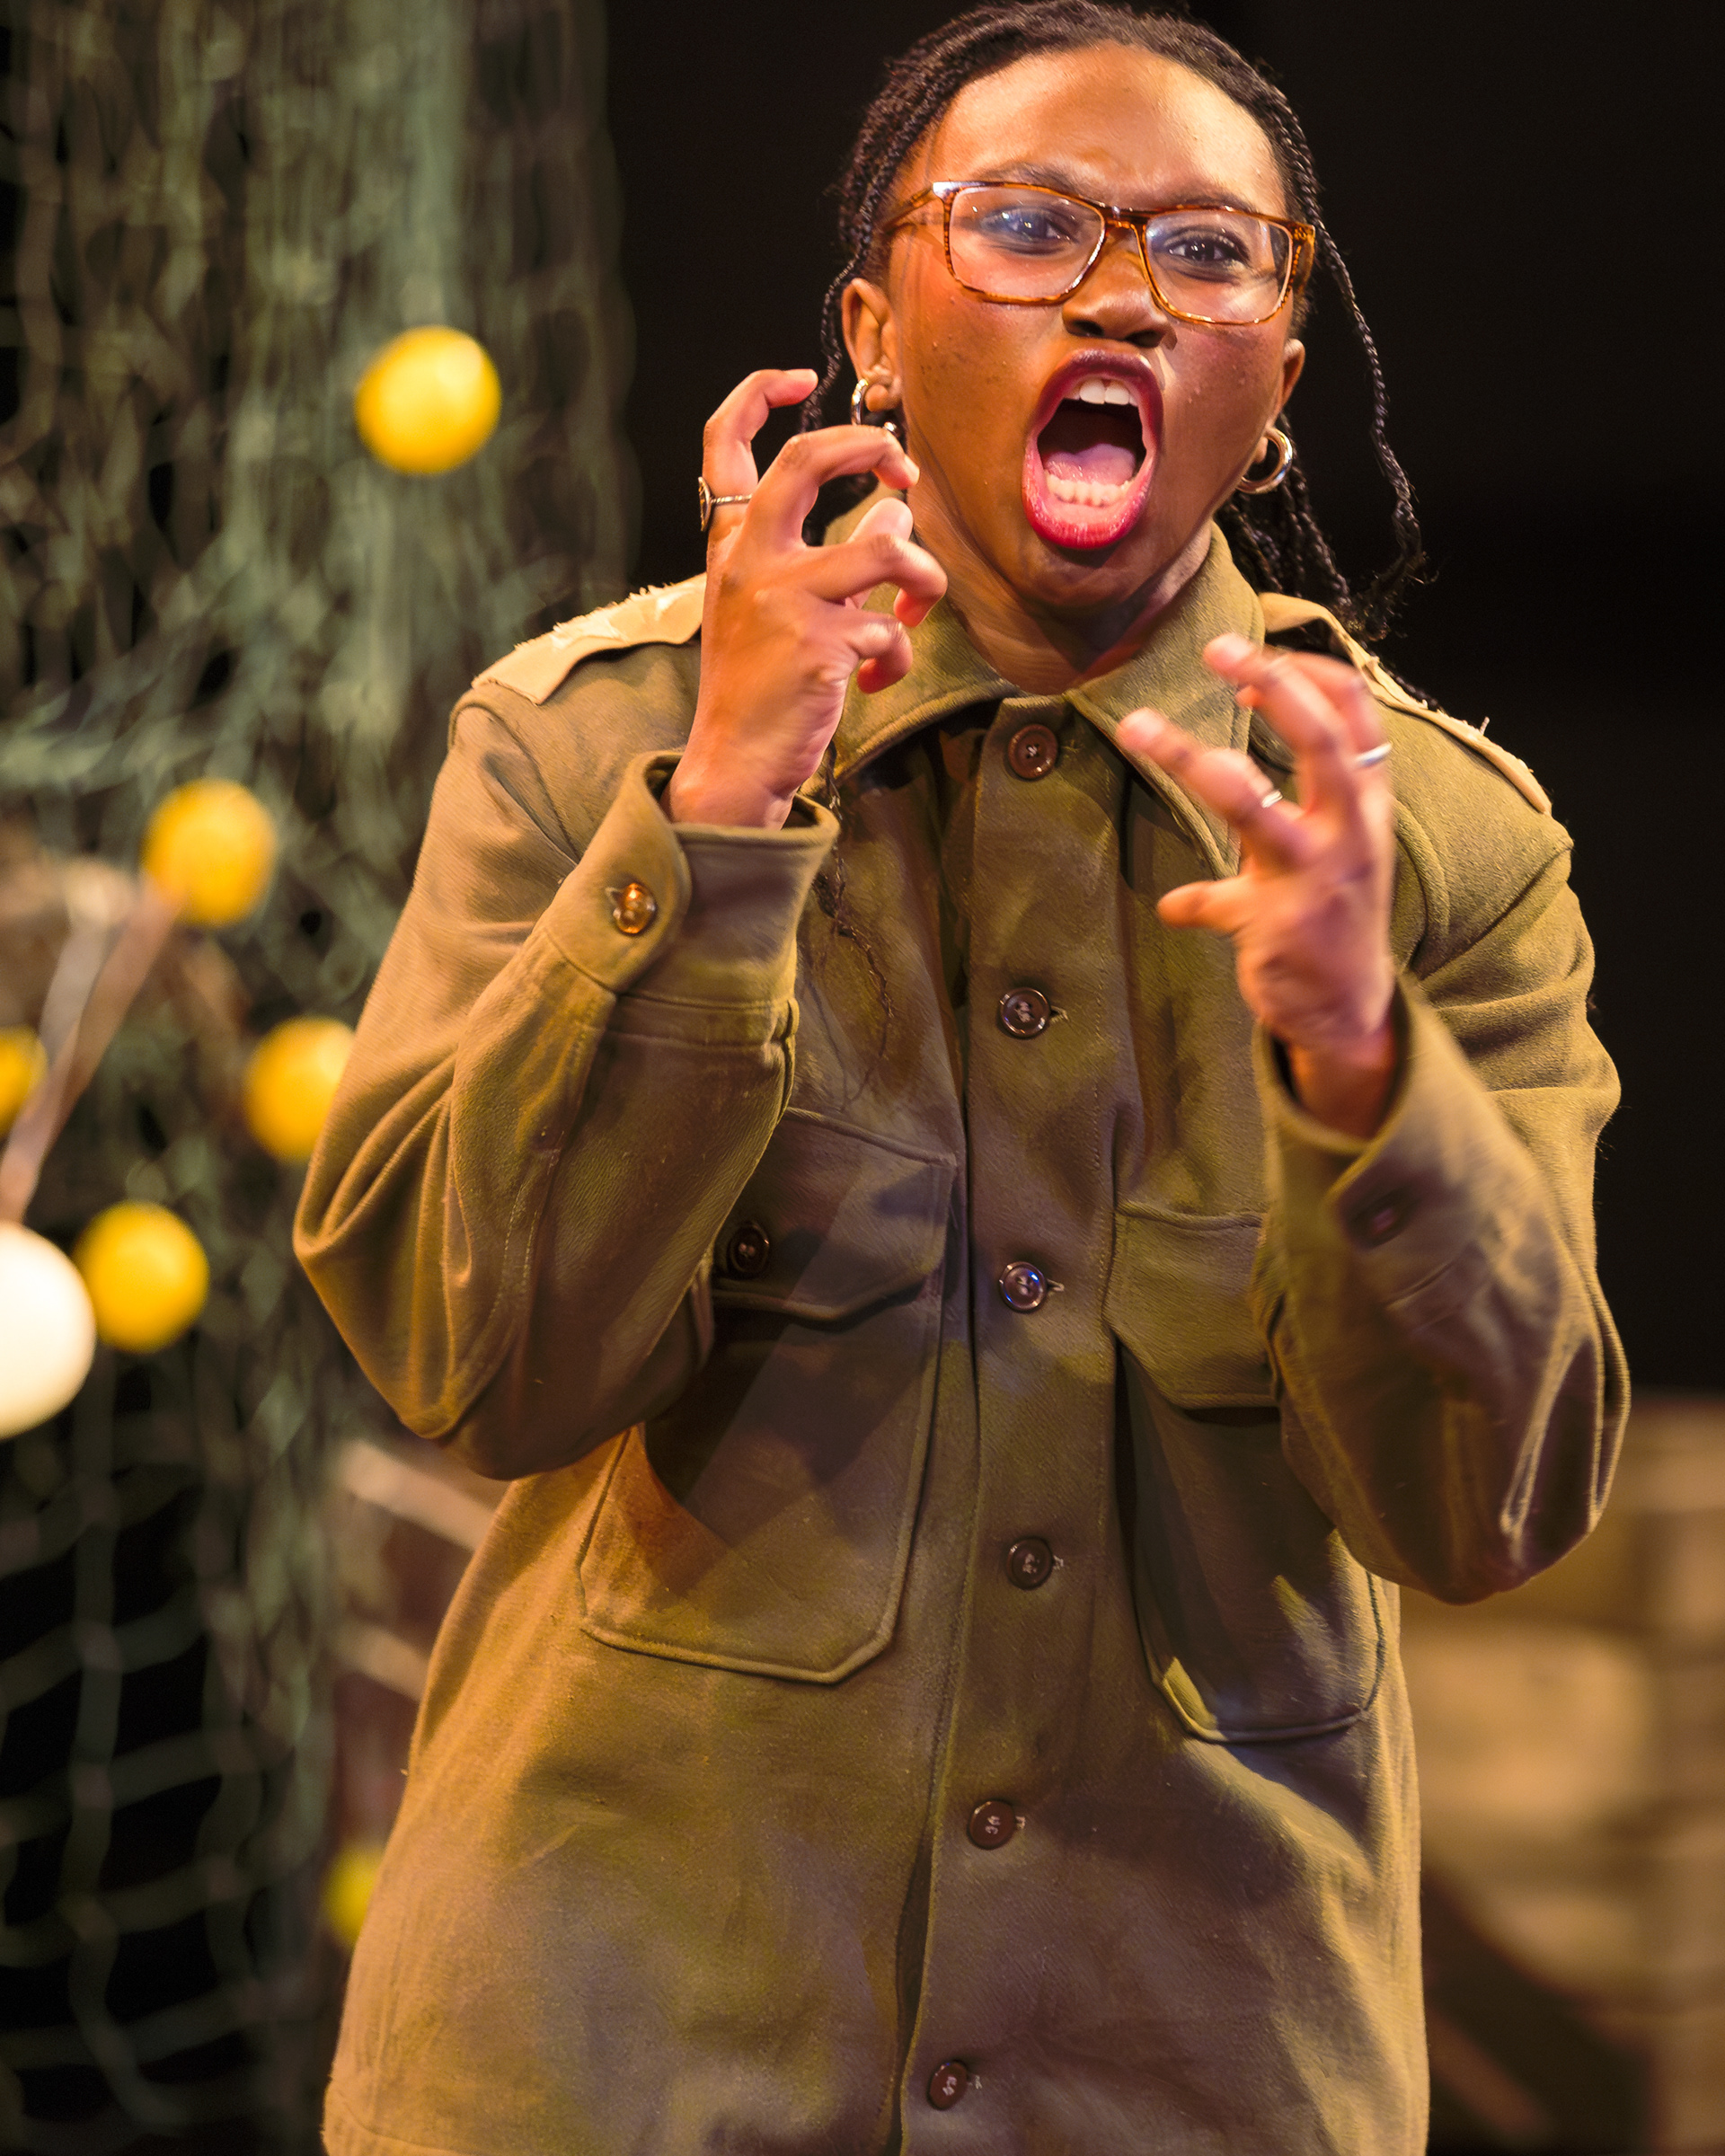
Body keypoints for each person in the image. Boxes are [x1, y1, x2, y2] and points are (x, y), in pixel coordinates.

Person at [296, 5, 1626, 2150]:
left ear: (1276, 391)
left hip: (1180, 2077)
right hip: (615, 2066)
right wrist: (720, 821)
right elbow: (475, 1361)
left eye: (1209, 252)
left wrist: (1364, 1070)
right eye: (1026, 226)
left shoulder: (1433, 845)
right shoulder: (590, 741)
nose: (1123, 295)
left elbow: (1486, 1506)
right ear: (874, 333)